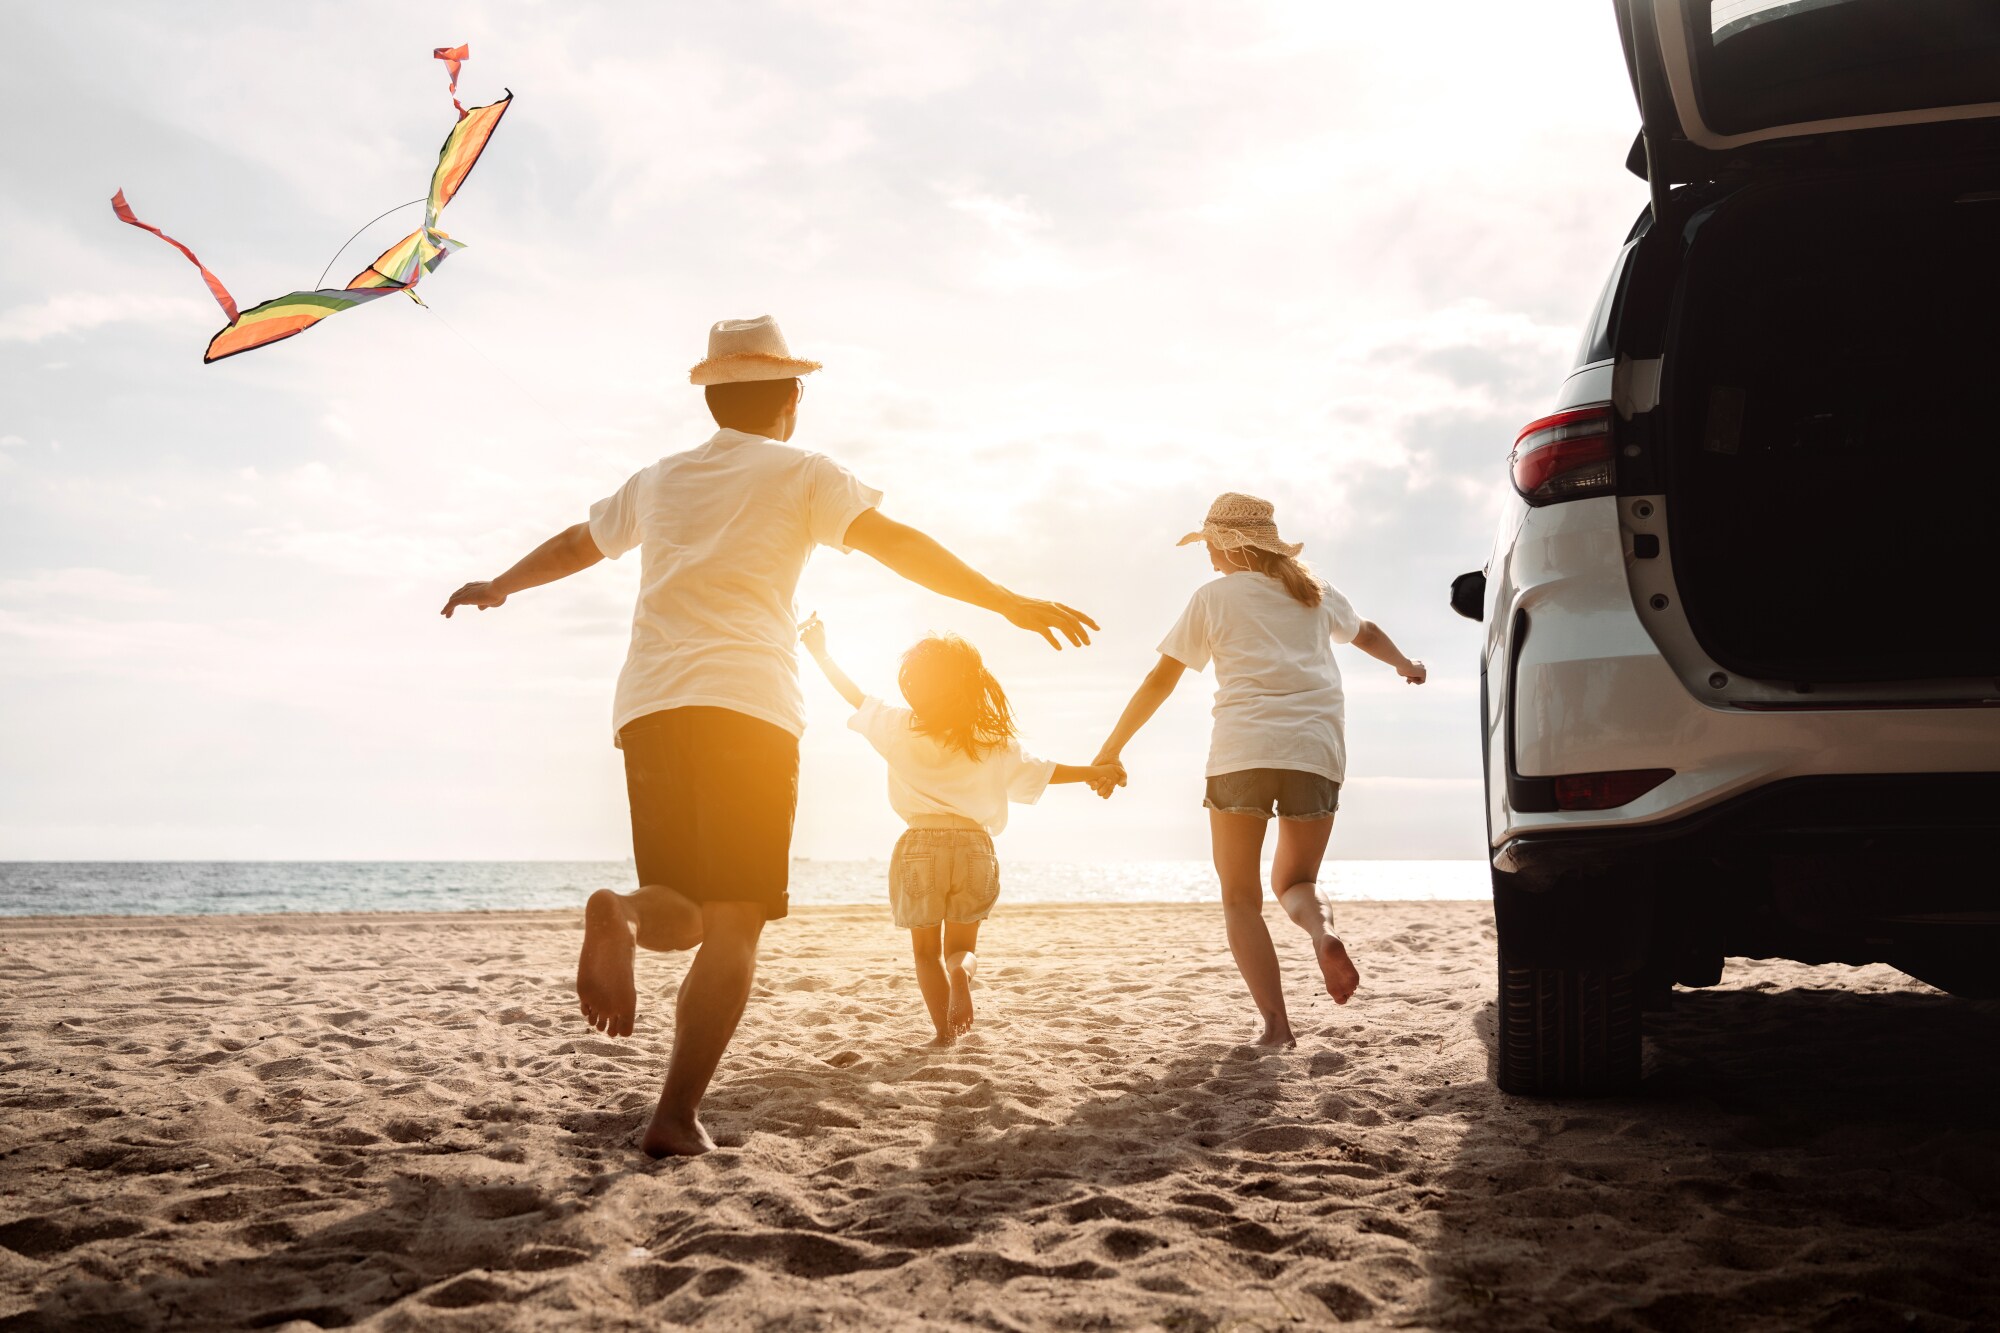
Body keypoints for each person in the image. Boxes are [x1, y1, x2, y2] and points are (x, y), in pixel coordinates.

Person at [440, 316, 1097, 1155]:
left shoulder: (660, 479)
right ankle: (674, 1116)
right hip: (748, 708)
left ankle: (623, 915)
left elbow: (579, 543)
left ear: (713, 398)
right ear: (791, 398)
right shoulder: (806, 473)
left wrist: (500, 584)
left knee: (679, 908)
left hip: (650, 705)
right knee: (736, 920)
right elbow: (898, 547)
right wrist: (1006, 601)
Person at [1091, 493, 1425, 1047]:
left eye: (1209, 545)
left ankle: (1276, 1025)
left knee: (1240, 898)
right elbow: (1365, 632)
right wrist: (1405, 665)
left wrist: (1111, 749)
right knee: (1296, 883)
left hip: (1241, 754)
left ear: (1226, 544)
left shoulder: (1213, 597)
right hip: (1314, 754)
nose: (1207, 557)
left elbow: (1161, 680)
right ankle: (1323, 932)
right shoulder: (1315, 593)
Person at [799, 614, 1124, 1044]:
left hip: (920, 845)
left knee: (923, 952)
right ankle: (960, 972)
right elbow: (1046, 771)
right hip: (974, 846)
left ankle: (943, 1035)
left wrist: (820, 651)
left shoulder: (898, 726)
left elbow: (853, 696)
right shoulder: (990, 740)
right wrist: (1095, 771)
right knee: (960, 949)